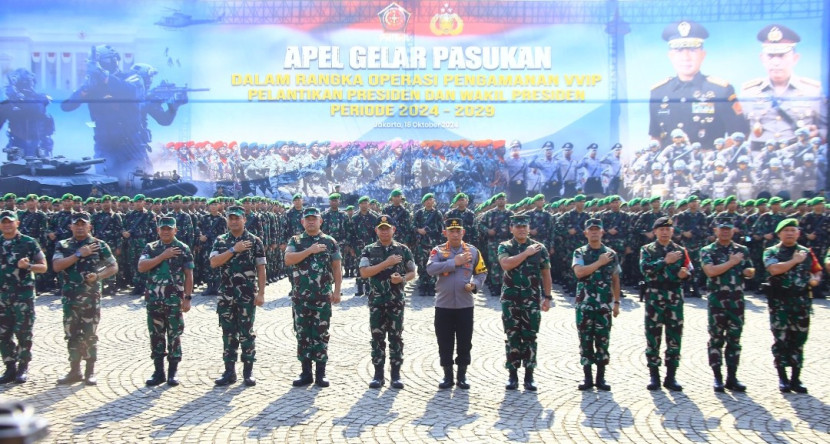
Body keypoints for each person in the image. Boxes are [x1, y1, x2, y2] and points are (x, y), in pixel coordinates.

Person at [649, 20, 749, 148]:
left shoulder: (721, 91)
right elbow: (655, 136)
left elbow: (739, 135)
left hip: (710, 165)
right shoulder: (658, 92)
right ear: (670, 55)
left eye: (692, 50)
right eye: (679, 51)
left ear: (703, 54)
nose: (686, 57)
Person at [60, 45, 147, 188]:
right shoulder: (93, 85)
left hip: (130, 143)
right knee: (105, 186)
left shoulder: (131, 78)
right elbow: (67, 106)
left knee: (135, 185)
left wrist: (104, 76)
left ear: (114, 60)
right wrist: (85, 89)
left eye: (103, 61)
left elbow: (131, 92)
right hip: (104, 144)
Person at [52, 212, 118, 386]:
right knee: (71, 334)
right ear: (71, 227)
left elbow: (113, 266)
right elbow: (57, 266)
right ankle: (74, 371)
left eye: (83, 224)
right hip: (70, 298)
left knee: (89, 334)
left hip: (91, 298)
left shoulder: (99, 245)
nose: (80, 227)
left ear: (89, 226)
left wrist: (98, 276)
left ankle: (90, 372)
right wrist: (79, 254)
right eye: (76, 224)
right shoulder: (63, 245)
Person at [742, 24, 826, 149]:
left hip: (799, 162)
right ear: (762, 59)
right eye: (770, 56)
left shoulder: (813, 91)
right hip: (760, 162)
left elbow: (825, 128)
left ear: (795, 58)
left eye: (782, 55)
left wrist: (819, 134)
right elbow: (740, 131)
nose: (776, 62)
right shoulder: (748, 92)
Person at [426, 218, 487, 389]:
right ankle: (447, 376)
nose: (454, 234)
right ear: (445, 233)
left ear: (463, 232)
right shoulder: (437, 251)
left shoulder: (473, 252)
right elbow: (430, 269)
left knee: (465, 341)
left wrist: (475, 284)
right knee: (444, 341)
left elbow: (482, 272)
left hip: (465, 305)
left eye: (457, 231)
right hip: (443, 305)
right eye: (451, 231)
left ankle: (462, 375)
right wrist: (455, 262)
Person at [209, 206, 266, 387]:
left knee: (246, 333)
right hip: (226, 295)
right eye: (230, 218)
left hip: (247, 295)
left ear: (244, 220)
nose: (233, 221)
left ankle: (248, 372)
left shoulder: (255, 241)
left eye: (237, 218)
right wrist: (233, 249)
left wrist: (261, 293)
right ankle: (229, 372)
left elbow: (261, 268)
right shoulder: (220, 241)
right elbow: (214, 262)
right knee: (228, 333)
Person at [284, 207, 342, 388]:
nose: (310, 222)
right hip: (301, 297)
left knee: (321, 334)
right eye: (307, 219)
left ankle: (321, 374)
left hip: (322, 297)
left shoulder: (329, 241)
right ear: (302, 222)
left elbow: (336, 267)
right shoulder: (295, 240)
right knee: (302, 334)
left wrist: (337, 290)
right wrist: (309, 250)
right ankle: (306, 372)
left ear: (320, 221)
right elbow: (288, 259)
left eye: (314, 219)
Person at [358, 215, 416, 389]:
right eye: (381, 228)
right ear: (376, 230)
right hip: (376, 301)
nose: (384, 231)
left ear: (393, 230)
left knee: (396, 337)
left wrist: (403, 279)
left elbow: (413, 272)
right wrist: (386, 263)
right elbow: (364, 273)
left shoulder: (403, 249)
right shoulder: (368, 250)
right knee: (377, 337)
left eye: (387, 228)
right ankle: (378, 375)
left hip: (396, 301)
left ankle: (396, 375)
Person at [497, 214, 552, 391]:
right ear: (511, 228)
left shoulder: (539, 248)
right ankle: (512, 376)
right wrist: (525, 253)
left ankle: (529, 376)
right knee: (512, 336)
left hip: (531, 299)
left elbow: (546, 273)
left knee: (530, 337)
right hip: (511, 300)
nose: (521, 229)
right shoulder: (504, 246)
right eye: (518, 226)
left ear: (529, 228)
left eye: (524, 226)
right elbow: (506, 264)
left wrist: (548, 297)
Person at [137, 217, 194, 387]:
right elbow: (141, 266)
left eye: (169, 229)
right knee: (156, 335)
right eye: (163, 229)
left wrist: (188, 297)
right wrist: (162, 256)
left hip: (174, 300)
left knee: (174, 334)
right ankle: (158, 371)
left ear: (175, 230)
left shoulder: (183, 248)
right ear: (158, 230)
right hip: (154, 299)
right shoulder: (151, 247)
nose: (166, 232)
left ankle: (173, 372)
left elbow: (189, 274)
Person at [700, 216, 754, 392]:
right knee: (716, 339)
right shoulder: (708, 250)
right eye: (722, 228)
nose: (725, 231)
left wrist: (748, 271)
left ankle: (732, 377)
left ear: (733, 231)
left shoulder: (742, 250)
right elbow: (710, 271)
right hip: (717, 301)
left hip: (736, 301)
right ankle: (717, 377)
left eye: (728, 229)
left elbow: (751, 270)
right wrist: (732, 263)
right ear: (715, 231)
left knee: (735, 339)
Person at [765, 218, 820, 393]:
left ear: (798, 233)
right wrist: (794, 261)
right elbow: (774, 269)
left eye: (793, 230)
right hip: (780, 303)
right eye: (786, 230)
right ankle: (782, 378)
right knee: (780, 339)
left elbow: (816, 270)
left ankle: (796, 378)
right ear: (779, 233)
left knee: (799, 339)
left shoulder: (806, 252)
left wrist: (815, 279)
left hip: (801, 302)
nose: (789, 233)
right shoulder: (771, 251)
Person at [639, 216, 689, 392]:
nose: (665, 232)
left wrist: (686, 275)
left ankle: (671, 376)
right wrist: (665, 261)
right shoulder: (647, 250)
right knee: (653, 336)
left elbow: (689, 270)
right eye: (661, 229)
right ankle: (654, 375)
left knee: (674, 337)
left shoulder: (681, 250)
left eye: (668, 229)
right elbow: (645, 270)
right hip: (654, 296)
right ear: (655, 232)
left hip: (674, 296)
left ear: (672, 232)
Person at [572, 218, 621, 391]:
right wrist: (599, 262)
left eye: (597, 230)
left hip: (604, 305)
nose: (594, 232)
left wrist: (616, 302)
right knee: (585, 341)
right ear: (585, 233)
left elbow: (615, 279)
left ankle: (601, 378)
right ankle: (587, 378)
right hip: (585, 305)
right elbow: (579, 272)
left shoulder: (611, 254)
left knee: (603, 341)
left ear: (602, 232)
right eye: (590, 230)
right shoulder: (580, 252)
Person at [0, 210, 47, 384]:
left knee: (23, 333)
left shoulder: (28, 242)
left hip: (23, 296)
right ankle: (10, 367)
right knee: (3, 334)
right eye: (3, 222)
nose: (7, 225)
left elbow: (43, 267)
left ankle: (22, 367)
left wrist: (29, 266)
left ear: (17, 223)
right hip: (2, 296)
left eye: (10, 222)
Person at [0, 68, 54, 159]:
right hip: (18, 147)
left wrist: (17, 98)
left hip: (39, 146)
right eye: (29, 82)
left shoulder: (40, 98)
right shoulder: (9, 103)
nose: (31, 85)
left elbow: (36, 110)